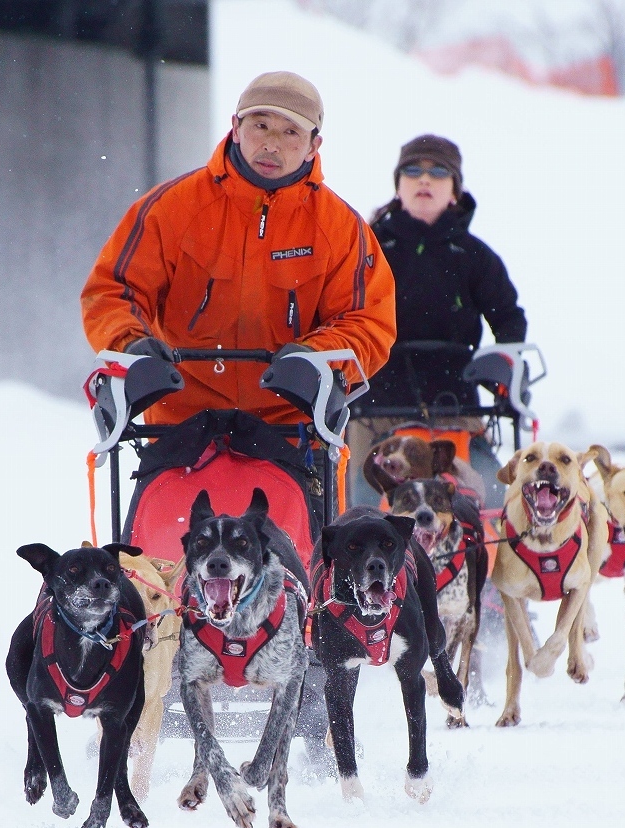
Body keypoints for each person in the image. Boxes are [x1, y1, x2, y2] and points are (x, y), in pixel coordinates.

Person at [81, 71, 395, 428]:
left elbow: (368, 321)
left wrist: (315, 358)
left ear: (313, 146)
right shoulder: (170, 208)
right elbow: (112, 292)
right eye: (260, 125)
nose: (272, 144)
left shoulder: (341, 228)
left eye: (290, 131)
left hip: (291, 427)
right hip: (178, 420)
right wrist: (131, 346)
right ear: (235, 126)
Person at [348, 134, 528, 505]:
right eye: (413, 170)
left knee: (493, 499)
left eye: (438, 171)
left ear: (455, 190)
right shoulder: (366, 249)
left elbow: (509, 319)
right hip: (375, 409)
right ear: (398, 186)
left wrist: (503, 368)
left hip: (456, 410)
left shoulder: (476, 257)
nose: (424, 179)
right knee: (360, 505)